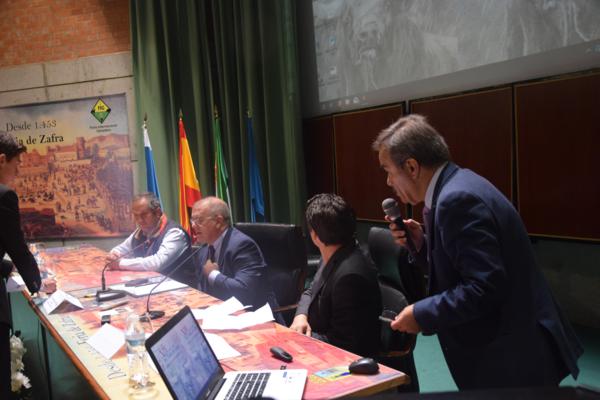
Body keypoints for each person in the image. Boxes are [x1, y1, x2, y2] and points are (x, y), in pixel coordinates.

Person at [372, 114, 583, 389]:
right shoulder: (458, 184)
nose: (388, 181)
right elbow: (460, 267)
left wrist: (421, 314)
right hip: (512, 347)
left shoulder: (456, 200)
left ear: (412, 167)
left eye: (388, 170)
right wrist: (423, 244)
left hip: (510, 358)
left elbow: (485, 288)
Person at [290, 194, 382, 358]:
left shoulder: (350, 278)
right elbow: (311, 291)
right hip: (321, 341)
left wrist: (300, 340)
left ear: (315, 236)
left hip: (344, 361)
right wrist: (300, 316)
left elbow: (344, 345)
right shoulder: (332, 253)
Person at [0, 131, 55, 399]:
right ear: (2, 160)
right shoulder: (4, 195)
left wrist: (5, 267)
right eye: (16, 164)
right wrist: (38, 284)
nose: (19, 170)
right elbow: (18, 247)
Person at [191, 197, 278, 311]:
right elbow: (201, 286)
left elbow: (244, 291)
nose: (193, 226)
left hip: (252, 314)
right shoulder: (204, 248)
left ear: (218, 221)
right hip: (218, 312)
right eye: (192, 220)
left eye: (199, 220)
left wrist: (213, 274)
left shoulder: (242, 245)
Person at [106, 193, 192, 279]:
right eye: (136, 215)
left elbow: (157, 263)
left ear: (158, 212)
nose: (139, 220)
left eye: (144, 215)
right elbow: (120, 249)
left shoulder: (175, 233)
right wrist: (113, 256)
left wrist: (120, 263)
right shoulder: (140, 232)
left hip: (178, 285)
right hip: (149, 282)